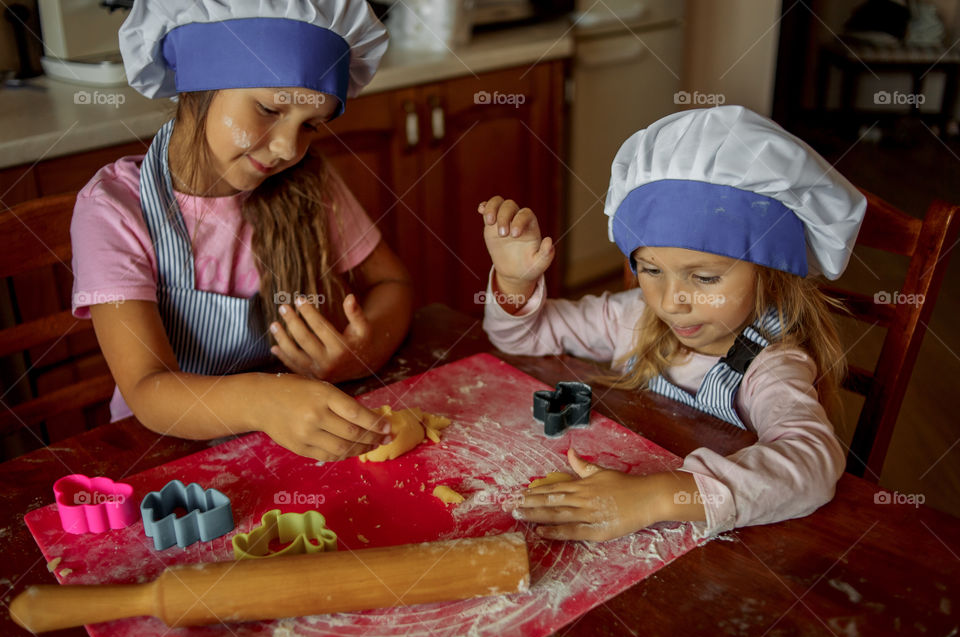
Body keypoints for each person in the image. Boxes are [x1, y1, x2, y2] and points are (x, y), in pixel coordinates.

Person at [479, 105, 866, 540]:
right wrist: (515, 282)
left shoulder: (771, 365)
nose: (671, 301)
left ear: (769, 273)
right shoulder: (631, 317)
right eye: (651, 269)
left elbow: (812, 463)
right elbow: (521, 336)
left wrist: (661, 497)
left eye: (703, 277)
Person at [71, 0, 413, 461]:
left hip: (287, 440)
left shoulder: (307, 182)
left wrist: (361, 353)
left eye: (310, 125)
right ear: (200, 84)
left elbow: (393, 283)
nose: (288, 148)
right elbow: (147, 389)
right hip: (166, 455)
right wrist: (266, 400)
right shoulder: (115, 210)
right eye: (270, 109)